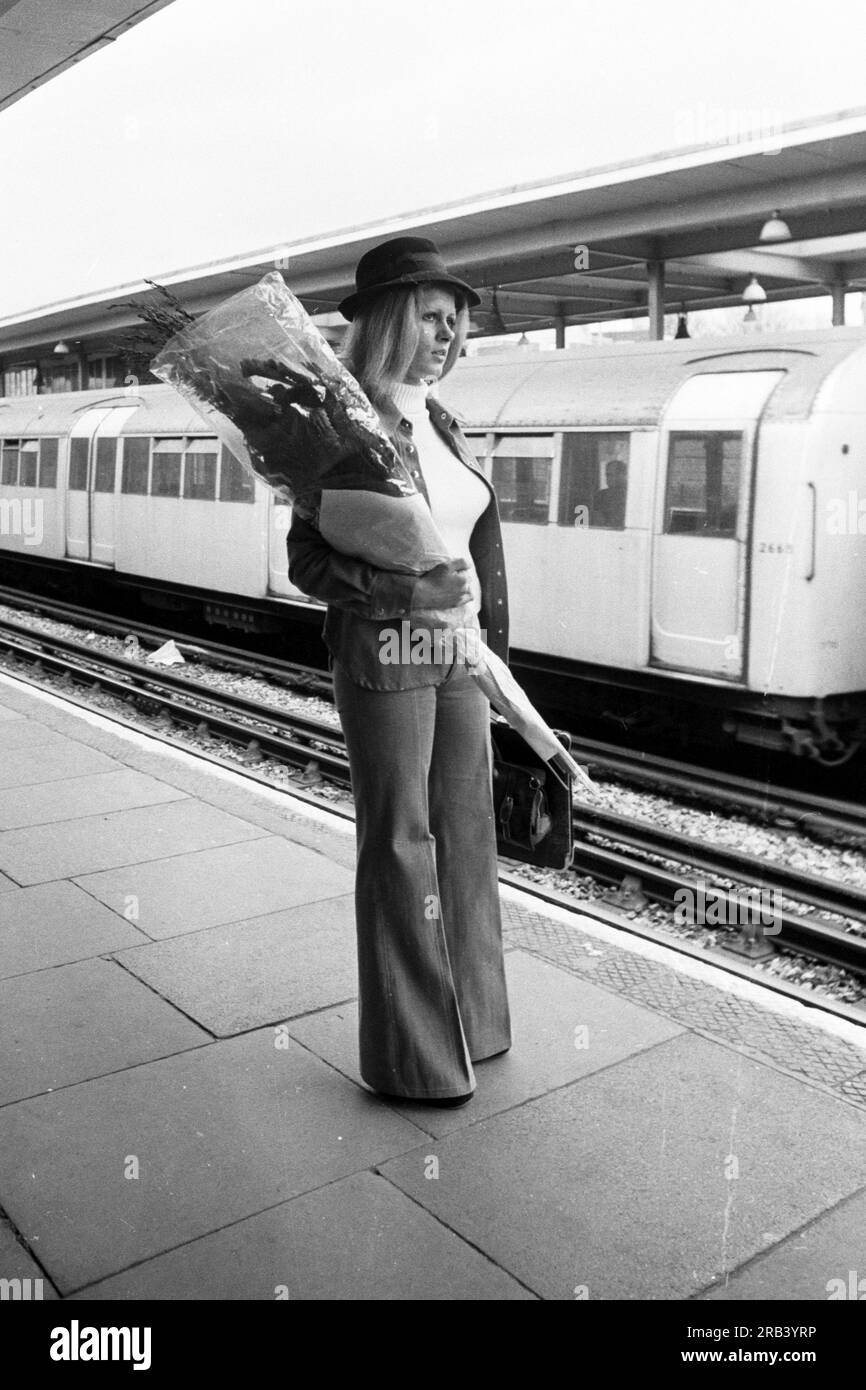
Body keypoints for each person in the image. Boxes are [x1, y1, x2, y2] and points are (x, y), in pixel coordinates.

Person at [286, 237, 512, 1107]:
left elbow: (466, 541)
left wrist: (485, 636)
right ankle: (413, 1058)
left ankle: (476, 1025)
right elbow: (311, 563)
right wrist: (401, 587)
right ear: (390, 321)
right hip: (386, 645)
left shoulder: (439, 420)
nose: (449, 334)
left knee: (466, 827)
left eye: (457, 321)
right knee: (400, 841)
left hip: (457, 647)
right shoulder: (346, 429)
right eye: (432, 317)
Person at [591, 457, 628, 528]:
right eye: (608, 475)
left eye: (613, 474)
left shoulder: (630, 495)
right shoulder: (600, 496)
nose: (609, 478)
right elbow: (598, 523)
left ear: (623, 475)